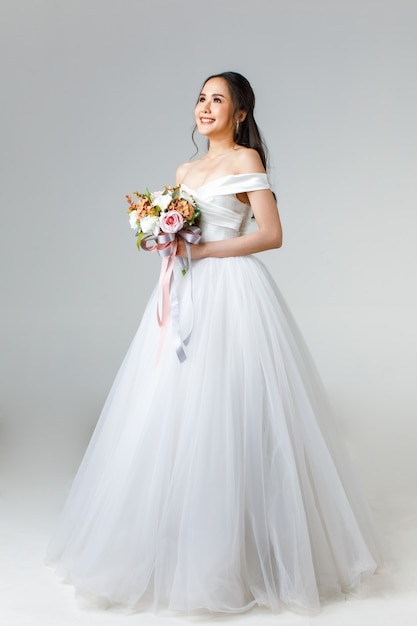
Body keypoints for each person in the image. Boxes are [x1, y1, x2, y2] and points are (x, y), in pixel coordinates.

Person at [46, 71, 383, 615]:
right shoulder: (185, 169)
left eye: (218, 99)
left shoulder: (246, 163)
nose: (205, 107)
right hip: (187, 295)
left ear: (241, 113)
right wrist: (166, 236)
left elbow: (270, 234)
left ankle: (244, 556)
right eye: (201, 98)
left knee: (230, 411)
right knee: (174, 412)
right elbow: (183, 232)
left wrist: (202, 253)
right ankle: (175, 548)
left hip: (234, 294)